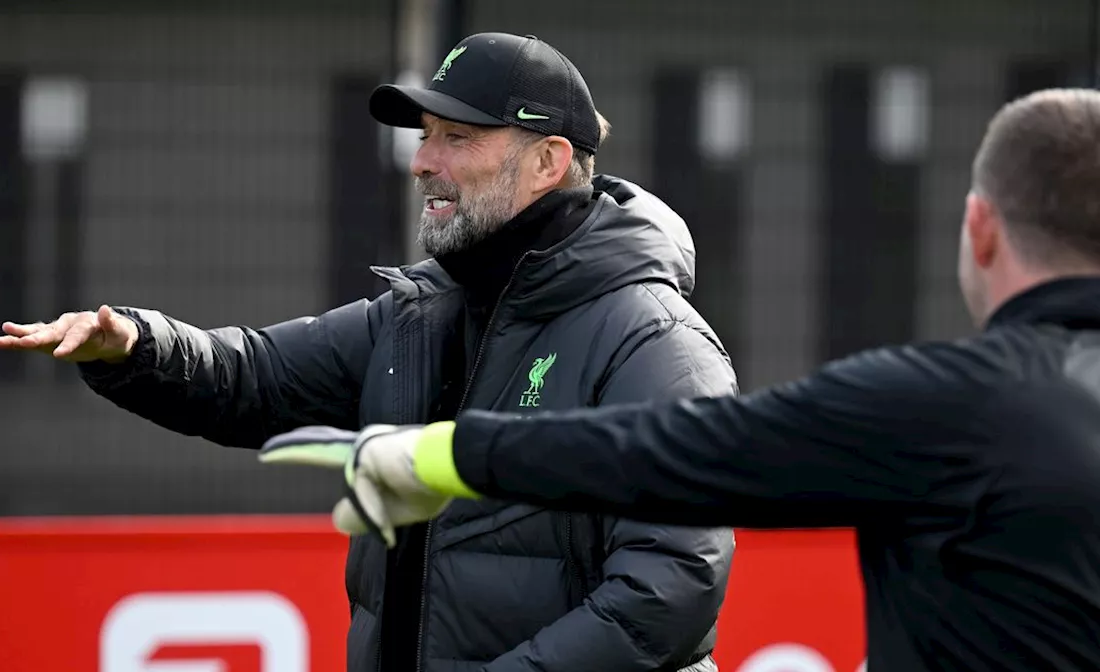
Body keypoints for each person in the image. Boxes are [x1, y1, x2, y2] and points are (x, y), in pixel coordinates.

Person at [261, 88, 1100, 671]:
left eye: (457, 135)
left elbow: (678, 454)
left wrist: (445, 457)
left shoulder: (948, 404)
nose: (426, 160)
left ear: (980, 230)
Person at [0, 32, 738, 672]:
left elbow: (668, 586)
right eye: (425, 136)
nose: (421, 163)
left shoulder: (652, 339)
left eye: (457, 138)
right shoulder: (419, 316)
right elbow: (254, 375)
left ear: (547, 161)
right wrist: (133, 343)